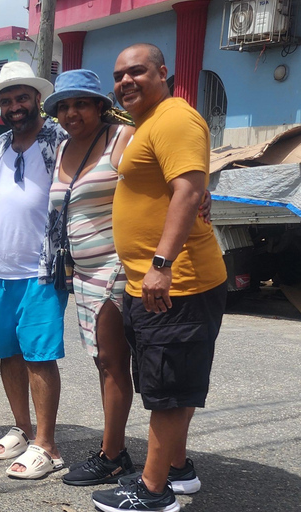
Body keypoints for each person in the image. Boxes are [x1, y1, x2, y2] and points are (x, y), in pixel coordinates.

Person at [91, 43, 227, 512]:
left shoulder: (174, 118)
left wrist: (161, 264)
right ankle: (178, 468)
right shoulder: (146, 122)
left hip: (180, 282)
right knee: (167, 381)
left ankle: (152, 491)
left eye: (137, 72)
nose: (125, 81)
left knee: (168, 390)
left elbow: (188, 192)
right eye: (118, 75)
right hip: (147, 283)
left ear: (163, 72)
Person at [0, 61, 68, 479]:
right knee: (7, 352)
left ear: (36, 99)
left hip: (41, 268)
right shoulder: (0, 145)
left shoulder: (59, 140)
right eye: (7, 100)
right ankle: (23, 429)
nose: (14, 106)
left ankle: (48, 446)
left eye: (21, 97)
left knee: (39, 356)